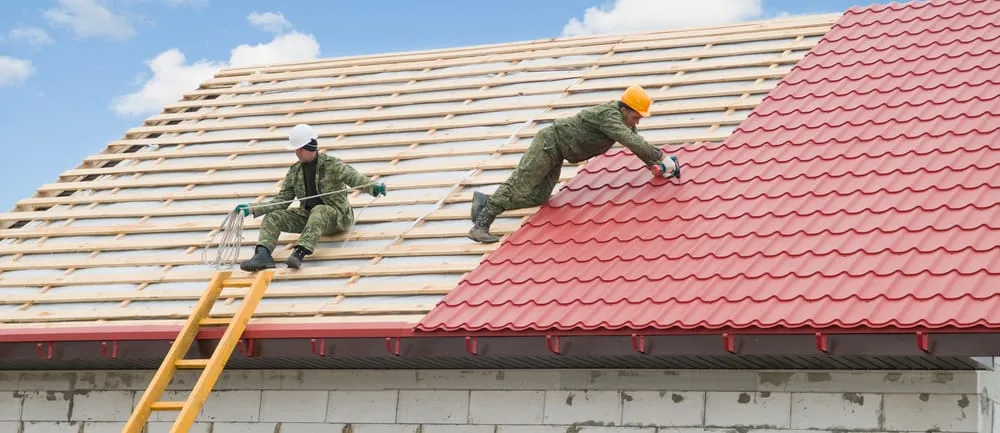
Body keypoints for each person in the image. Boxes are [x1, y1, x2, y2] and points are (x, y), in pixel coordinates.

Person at [468, 85, 680, 243]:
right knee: (521, 184)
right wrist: (662, 158)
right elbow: (631, 140)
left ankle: (485, 201)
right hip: (549, 143)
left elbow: (636, 144)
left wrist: (654, 166)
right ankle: (481, 225)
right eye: (636, 117)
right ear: (625, 110)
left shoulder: (624, 122)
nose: (637, 122)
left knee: (538, 197)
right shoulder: (609, 116)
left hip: (558, 151)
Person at [235, 124, 387, 271]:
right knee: (274, 217)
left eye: (301, 149)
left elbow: (354, 178)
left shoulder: (332, 165)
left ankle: (299, 252)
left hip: (336, 217)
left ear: (310, 147)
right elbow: (282, 200)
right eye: (296, 149)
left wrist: (373, 187)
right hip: (308, 218)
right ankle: (262, 254)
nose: (298, 153)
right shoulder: (295, 171)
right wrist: (253, 208)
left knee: (319, 210)